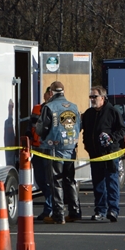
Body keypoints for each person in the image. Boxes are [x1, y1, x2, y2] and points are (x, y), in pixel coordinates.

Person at [35, 81, 82, 224]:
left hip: (54, 148)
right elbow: (78, 126)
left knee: (55, 181)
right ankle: (74, 212)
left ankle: (59, 214)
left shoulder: (49, 107)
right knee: (70, 180)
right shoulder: (74, 107)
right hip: (70, 148)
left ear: (51, 92)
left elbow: (41, 128)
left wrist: (42, 135)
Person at [81, 85, 125, 222]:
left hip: (110, 153)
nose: (92, 99)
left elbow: (122, 130)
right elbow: (86, 132)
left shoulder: (112, 111)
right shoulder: (89, 114)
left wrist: (111, 138)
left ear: (102, 97)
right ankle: (100, 210)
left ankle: (113, 210)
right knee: (98, 183)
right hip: (95, 154)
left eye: (94, 97)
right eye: (91, 97)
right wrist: (87, 145)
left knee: (111, 181)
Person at [28, 85, 53, 220]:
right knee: (40, 181)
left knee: (49, 181)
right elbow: (30, 127)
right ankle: (49, 207)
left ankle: (49, 209)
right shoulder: (37, 109)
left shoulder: (56, 110)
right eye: (47, 93)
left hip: (49, 151)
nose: (48, 96)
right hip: (37, 150)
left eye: (51, 93)